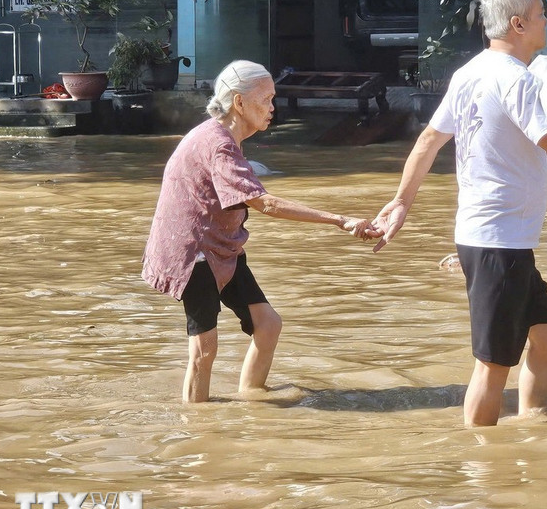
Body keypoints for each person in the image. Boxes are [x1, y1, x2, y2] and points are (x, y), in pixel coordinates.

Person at [372, 0, 547, 427]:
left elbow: (428, 141)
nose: (546, 21)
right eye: (540, 14)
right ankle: (481, 459)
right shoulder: (515, 80)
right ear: (517, 24)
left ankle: (532, 421)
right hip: (499, 241)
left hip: (496, 238)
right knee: (492, 367)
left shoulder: (471, 71)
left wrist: (401, 202)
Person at [143, 60, 381, 403]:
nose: (272, 107)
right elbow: (265, 204)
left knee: (267, 325)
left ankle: (253, 402)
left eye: (273, 99)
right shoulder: (219, 144)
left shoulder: (224, 136)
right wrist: (339, 220)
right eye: (266, 99)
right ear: (239, 102)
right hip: (194, 253)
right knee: (204, 349)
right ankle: (197, 426)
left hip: (222, 247)